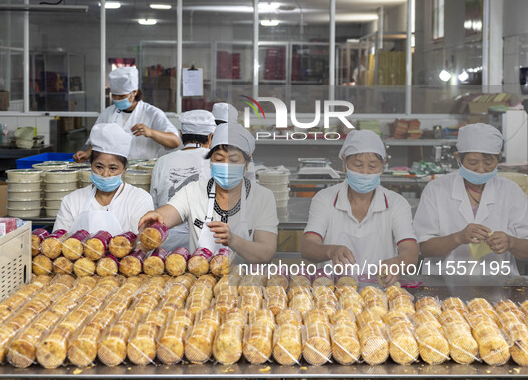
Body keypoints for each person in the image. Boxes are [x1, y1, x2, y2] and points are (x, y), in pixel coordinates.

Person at [138, 123, 278, 263]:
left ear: (246, 163)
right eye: (219, 159)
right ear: (210, 162)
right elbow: (168, 214)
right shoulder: (193, 191)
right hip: (200, 282)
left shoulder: (263, 197)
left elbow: (266, 253)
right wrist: (157, 217)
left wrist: (233, 240)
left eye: (234, 160)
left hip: (246, 281)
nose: (226, 165)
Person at [301, 130, 419, 286]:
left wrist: (398, 262)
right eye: (357, 165)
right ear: (344, 163)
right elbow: (308, 246)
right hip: (331, 292)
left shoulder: (396, 203)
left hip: (379, 292)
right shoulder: (325, 199)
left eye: (372, 166)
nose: (364, 172)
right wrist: (331, 251)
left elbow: (410, 251)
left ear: (382, 166)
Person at [414, 123, 528, 275]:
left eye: (488, 163)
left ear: (499, 157)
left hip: (499, 285)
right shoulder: (437, 190)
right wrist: (458, 238)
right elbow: (423, 248)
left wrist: (510, 242)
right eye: (472, 163)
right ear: (458, 158)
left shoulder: (510, 191)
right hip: (443, 284)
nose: (480, 169)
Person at [55, 123, 154, 235]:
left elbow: (144, 243)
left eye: (113, 168)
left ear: (124, 170)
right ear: (90, 165)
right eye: (99, 167)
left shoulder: (139, 199)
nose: (105, 174)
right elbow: (57, 243)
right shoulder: (72, 201)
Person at [73, 67, 180, 162]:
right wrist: (87, 153)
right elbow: (97, 140)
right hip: (113, 170)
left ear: (134, 92)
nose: (116, 99)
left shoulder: (152, 113)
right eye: (114, 95)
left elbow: (174, 141)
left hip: (143, 168)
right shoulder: (108, 113)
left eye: (121, 96)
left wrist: (151, 133)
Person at [149, 109, 216, 250]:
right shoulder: (216, 161)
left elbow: (154, 203)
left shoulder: (162, 161)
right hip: (202, 244)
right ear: (211, 137)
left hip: (166, 242)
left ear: (180, 135)